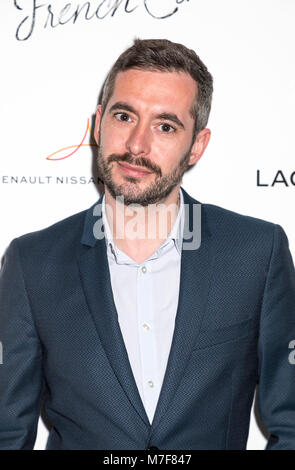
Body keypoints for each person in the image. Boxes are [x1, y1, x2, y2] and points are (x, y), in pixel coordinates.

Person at [0, 38, 295, 451]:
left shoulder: (256, 254)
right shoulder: (33, 264)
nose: (137, 145)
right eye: (124, 116)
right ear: (99, 122)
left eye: (166, 126)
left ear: (197, 145)